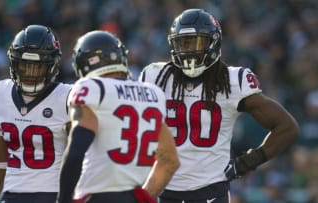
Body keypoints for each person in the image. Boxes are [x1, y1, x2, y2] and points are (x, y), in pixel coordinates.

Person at [139, 9, 299, 203]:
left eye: (197, 42)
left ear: (213, 43)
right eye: (184, 43)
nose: (190, 50)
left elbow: (287, 127)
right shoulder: (156, 76)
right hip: (164, 189)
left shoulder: (232, 81)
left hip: (210, 192)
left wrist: (246, 163)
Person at [57, 30, 180, 203]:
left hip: (98, 197)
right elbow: (170, 161)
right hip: (133, 195)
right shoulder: (153, 94)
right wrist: (143, 197)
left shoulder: (92, 88)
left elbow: (76, 153)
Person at [0, 25, 72, 203]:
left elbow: (80, 160)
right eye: (25, 66)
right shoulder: (0, 94)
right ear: (14, 63)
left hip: (53, 196)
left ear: (52, 66)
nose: (30, 73)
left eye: (38, 67)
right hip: (12, 195)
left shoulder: (67, 98)